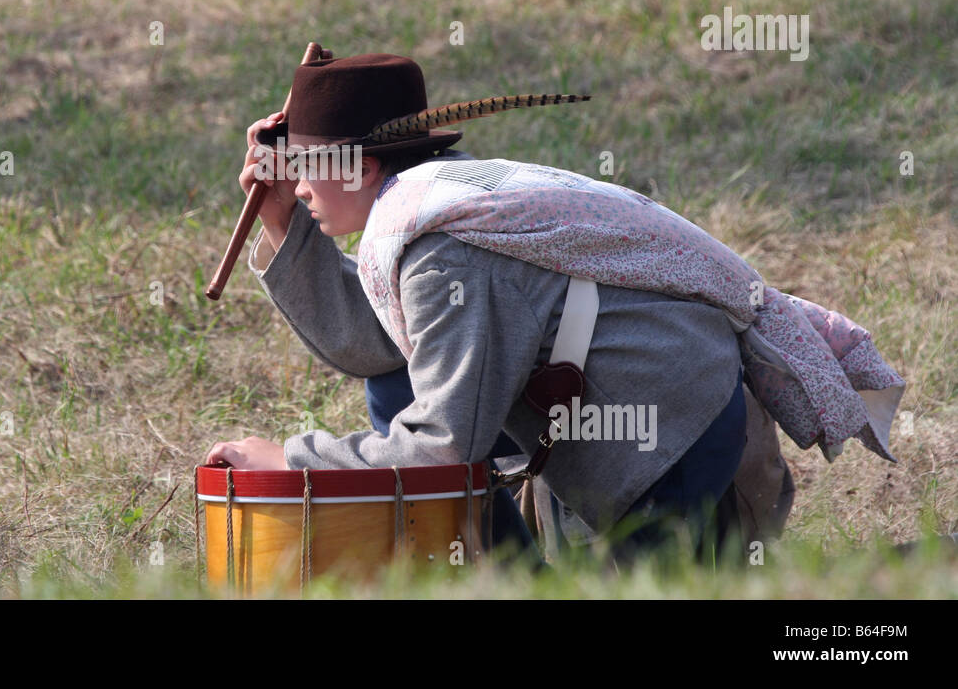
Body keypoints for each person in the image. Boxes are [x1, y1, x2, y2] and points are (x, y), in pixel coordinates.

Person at [205, 52, 903, 566]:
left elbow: (444, 445)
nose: (294, 186)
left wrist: (292, 462)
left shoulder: (443, 248)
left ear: (356, 168)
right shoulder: (426, 208)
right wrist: (277, 222)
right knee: (396, 383)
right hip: (624, 415)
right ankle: (507, 577)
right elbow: (383, 348)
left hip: (669, 433)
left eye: (304, 168)